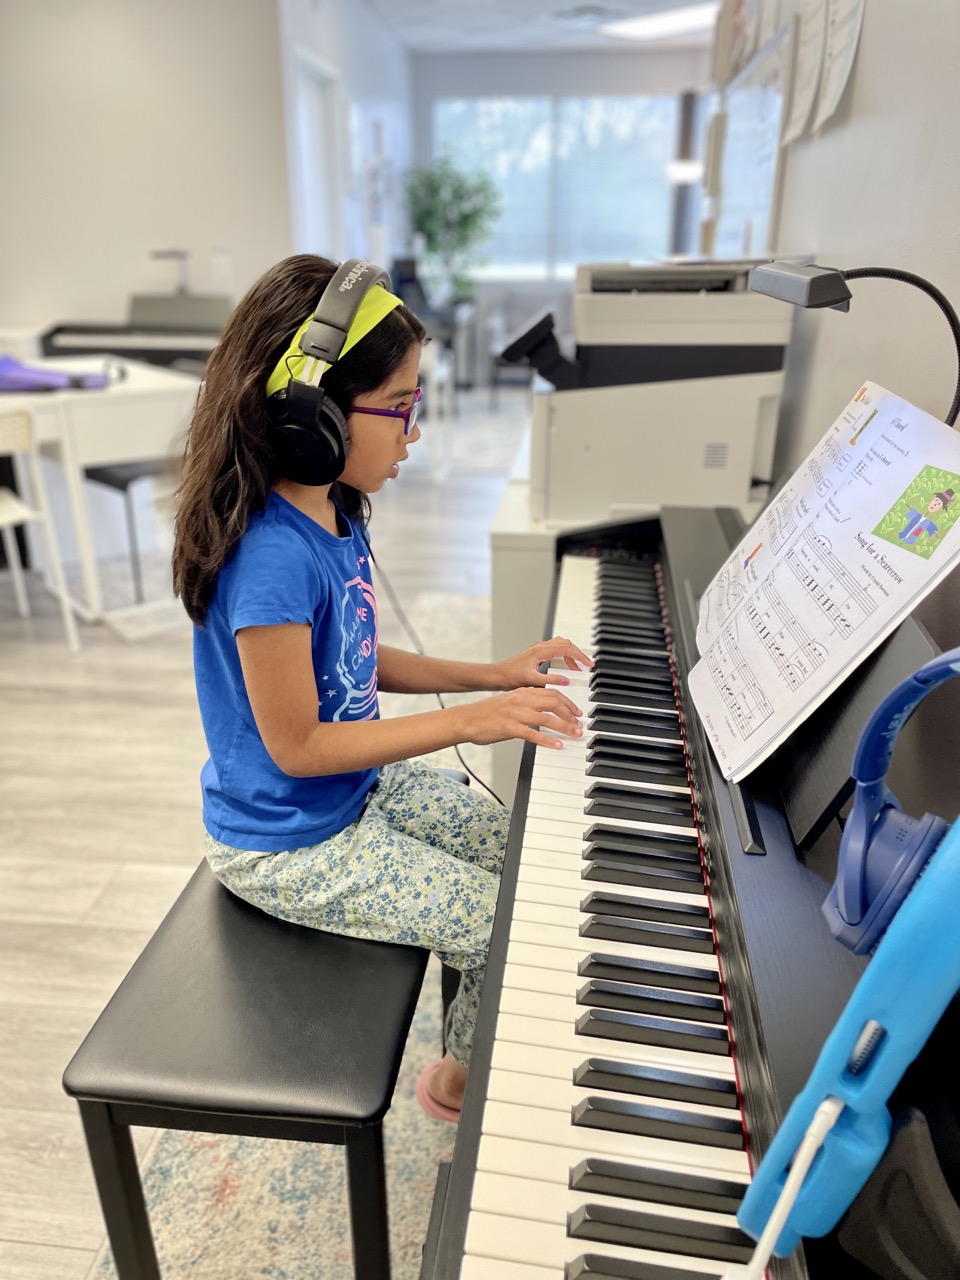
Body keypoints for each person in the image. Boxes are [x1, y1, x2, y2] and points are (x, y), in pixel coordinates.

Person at [172, 254, 591, 1122]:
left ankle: (474, 1045)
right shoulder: (272, 558)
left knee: (515, 855)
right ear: (310, 416)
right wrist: (470, 722)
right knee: (490, 922)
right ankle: (459, 1086)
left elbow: (357, 657)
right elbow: (300, 744)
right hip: (286, 842)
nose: (416, 432)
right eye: (401, 409)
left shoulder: (329, 507)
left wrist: (493, 672)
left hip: (350, 794)